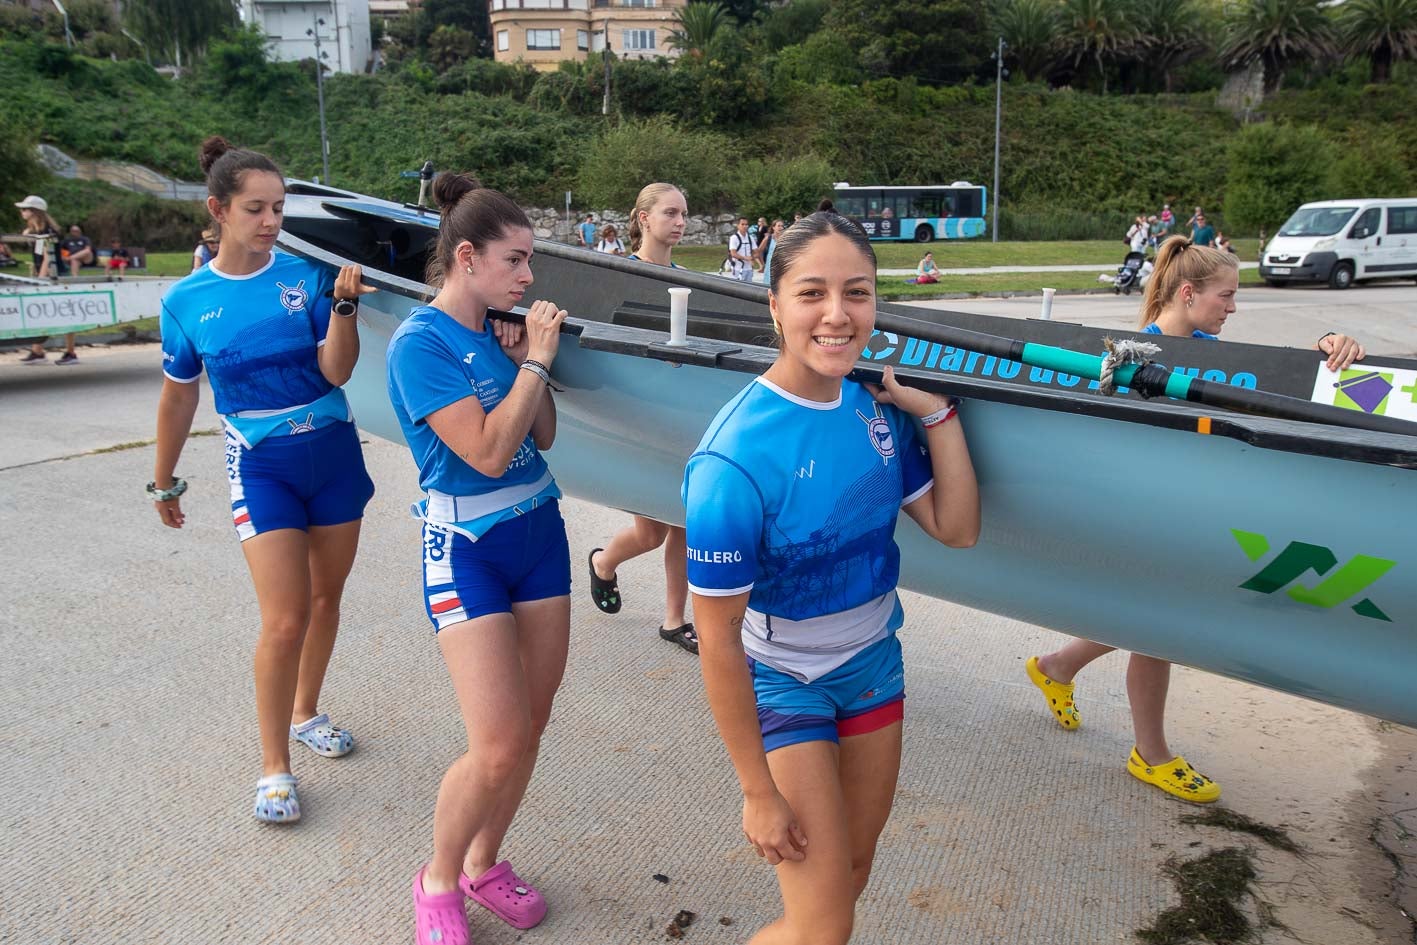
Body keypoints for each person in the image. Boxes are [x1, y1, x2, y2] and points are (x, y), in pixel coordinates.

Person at [684, 212, 980, 945]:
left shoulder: (871, 410)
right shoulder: (732, 460)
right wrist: (756, 790)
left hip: (874, 665)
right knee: (822, 928)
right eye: (812, 292)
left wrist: (937, 416)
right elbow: (717, 639)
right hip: (782, 678)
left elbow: (957, 528)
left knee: (849, 871)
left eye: (858, 292)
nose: (838, 314)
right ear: (774, 304)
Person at [1025, 238, 1366, 804]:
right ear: (1189, 293)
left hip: (1183, 507)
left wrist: (1326, 346)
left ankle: (1057, 667)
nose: (1233, 307)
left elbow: (1267, 378)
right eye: (1226, 296)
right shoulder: (1135, 356)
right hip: (1140, 511)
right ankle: (1149, 754)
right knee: (1159, 627)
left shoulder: (1208, 347)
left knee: (1151, 619)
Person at [152, 136, 375, 824]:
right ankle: (274, 766)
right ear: (219, 209)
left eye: (279, 207)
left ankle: (307, 711)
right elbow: (179, 395)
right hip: (263, 465)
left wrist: (342, 310)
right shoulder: (187, 300)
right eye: (256, 208)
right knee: (284, 618)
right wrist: (163, 479)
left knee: (325, 597)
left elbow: (337, 371)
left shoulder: (308, 277)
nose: (272, 220)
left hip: (333, 452)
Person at [385, 171, 571, 945]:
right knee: (494, 743)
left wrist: (530, 358)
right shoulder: (418, 344)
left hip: (539, 533)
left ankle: (484, 863)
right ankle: (437, 878)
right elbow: (490, 452)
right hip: (467, 547)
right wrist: (534, 362)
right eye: (515, 261)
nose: (529, 278)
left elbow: (545, 435)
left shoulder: (502, 331)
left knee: (528, 727)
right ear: (466, 256)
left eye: (529, 263)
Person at [589, 183, 697, 654]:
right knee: (651, 533)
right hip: (637, 418)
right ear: (643, 218)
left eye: (685, 214)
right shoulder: (618, 274)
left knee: (685, 524)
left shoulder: (692, 280)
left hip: (679, 415)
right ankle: (602, 565)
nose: (680, 222)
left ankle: (674, 620)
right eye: (671, 213)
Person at [15, 196, 76, 366]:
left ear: (35, 211)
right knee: (40, 311)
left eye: (25, 209)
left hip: (56, 275)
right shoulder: (36, 231)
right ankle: (37, 350)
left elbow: (48, 258)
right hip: (45, 273)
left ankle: (70, 352)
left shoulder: (46, 232)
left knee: (66, 313)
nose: (22, 212)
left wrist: (40, 279)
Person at [727, 216, 755, 282]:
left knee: (749, 288)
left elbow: (756, 251)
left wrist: (752, 258)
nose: (745, 226)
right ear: (738, 226)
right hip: (738, 268)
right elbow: (733, 253)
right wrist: (746, 258)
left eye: (746, 224)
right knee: (738, 289)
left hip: (749, 269)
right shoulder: (734, 238)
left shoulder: (750, 238)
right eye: (742, 224)